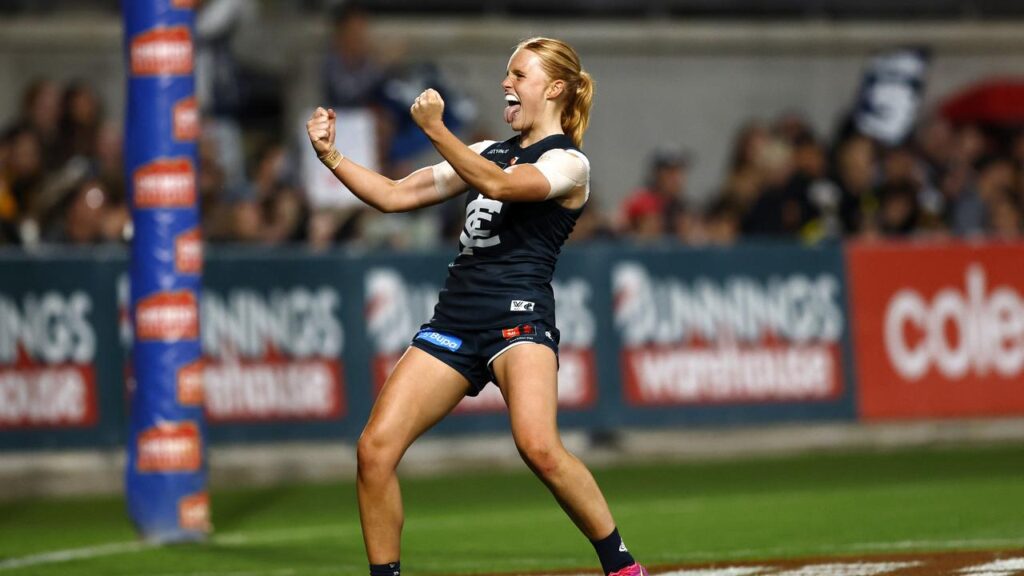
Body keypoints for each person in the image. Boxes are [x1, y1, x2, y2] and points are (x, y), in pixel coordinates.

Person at [306, 37, 648, 576]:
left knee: (538, 447)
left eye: (518, 74)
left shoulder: (568, 163)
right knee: (374, 451)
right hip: (455, 322)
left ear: (554, 88)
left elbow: (500, 186)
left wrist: (436, 129)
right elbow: (393, 196)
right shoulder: (487, 149)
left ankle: (622, 566)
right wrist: (331, 156)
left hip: (520, 318)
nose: (506, 83)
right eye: (506, 73)